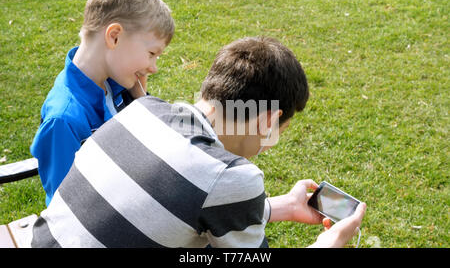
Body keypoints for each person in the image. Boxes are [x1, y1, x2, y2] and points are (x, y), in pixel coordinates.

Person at [31, 36, 366, 248]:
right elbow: (211, 193)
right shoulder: (233, 176)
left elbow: (174, 200)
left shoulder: (142, 110)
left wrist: (283, 207)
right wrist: (330, 242)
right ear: (268, 121)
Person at [30, 0, 175, 206]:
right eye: (152, 53)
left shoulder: (117, 83)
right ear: (114, 37)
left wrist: (140, 98)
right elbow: (66, 208)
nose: (153, 67)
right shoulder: (64, 120)